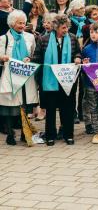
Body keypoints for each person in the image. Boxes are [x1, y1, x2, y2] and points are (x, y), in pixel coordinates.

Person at [32, 14, 82, 146]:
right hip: (49, 80)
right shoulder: (44, 39)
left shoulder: (72, 38)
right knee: (50, 108)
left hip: (67, 80)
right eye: (63, 28)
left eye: (67, 27)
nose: (66, 30)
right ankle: (50, 135)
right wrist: (29, 60)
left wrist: (77, 57)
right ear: (56, 27)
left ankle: (68, 135)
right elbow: (37, 57)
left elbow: (78, 52)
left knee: (68, 108)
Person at [0, 10, 39, 145]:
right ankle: (10, 134)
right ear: (12, 24)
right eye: (19, 23)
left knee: (26, 105)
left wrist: (30, 58)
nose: (22, 25)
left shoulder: (30, 37)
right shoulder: (3, 39)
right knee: (11, 106)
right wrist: (2, 58)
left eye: (23, 22)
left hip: (26, 75)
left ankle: (25, 133)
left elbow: (34, 54)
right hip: (10, 76)